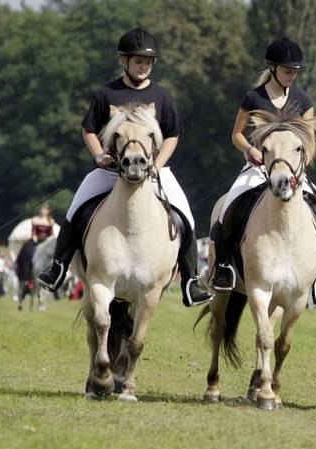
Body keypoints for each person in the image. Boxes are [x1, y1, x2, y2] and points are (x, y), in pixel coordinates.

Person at [37, 28, 212, 307]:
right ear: (124, 60)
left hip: (154, 171)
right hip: (110, 171)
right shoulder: (107, 93)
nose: (143, 66)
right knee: (75, 210)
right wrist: (98, 156)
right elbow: (89, 130)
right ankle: (58, 267)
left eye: (148, 62)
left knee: (186, 217)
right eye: (138, 61)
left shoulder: (162, 96)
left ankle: (191, 281)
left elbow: (172, 136)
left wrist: (158, 164)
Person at [207, 38, 316, 304]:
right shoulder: (254, 97)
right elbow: (237, 135)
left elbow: (309, 140)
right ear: (274, 68)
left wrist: (299, 167)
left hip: (292, 171)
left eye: (296, 72)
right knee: (227, 208)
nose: (292, 76)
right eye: (288, 71)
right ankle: (222, 268)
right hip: (257, 167)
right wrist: (250, 151)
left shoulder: (303, 101)